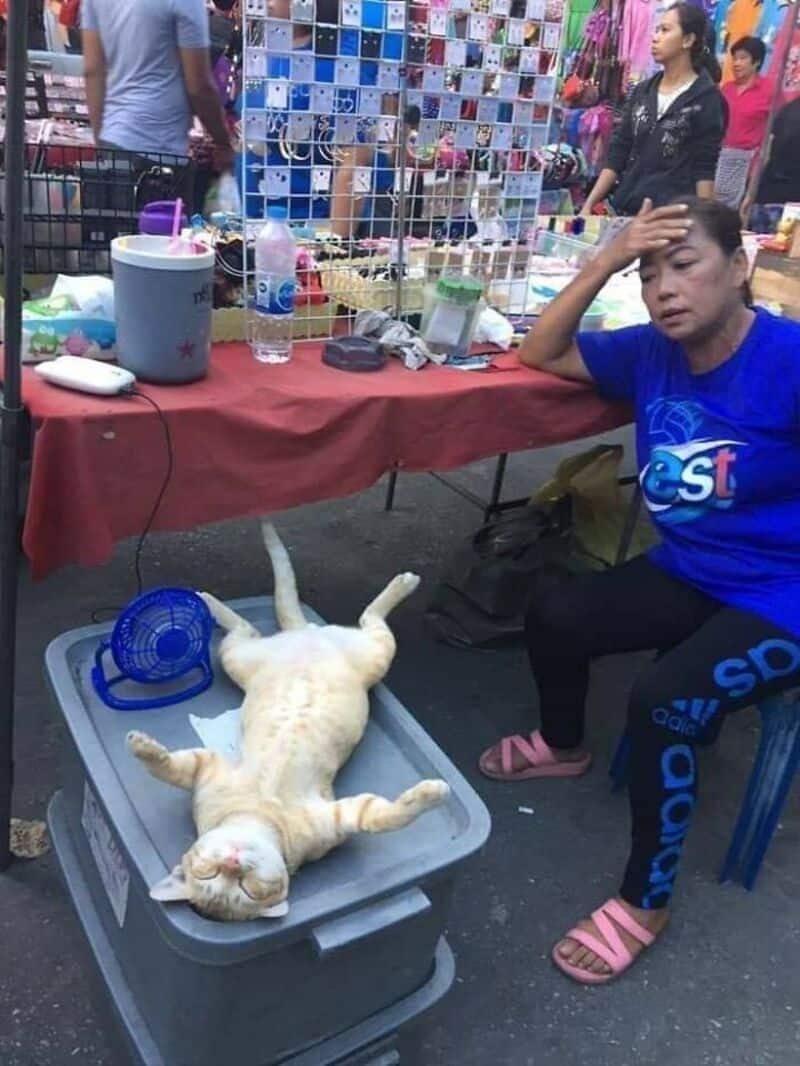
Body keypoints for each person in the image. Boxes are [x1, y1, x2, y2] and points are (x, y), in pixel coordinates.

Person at [480, 197, 800, 984]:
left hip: (784, 593)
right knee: (555, 611)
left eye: (683, 265)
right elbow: (541, 352)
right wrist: (606, 258)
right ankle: (562, 744)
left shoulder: (788, 359)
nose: (664, 290)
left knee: (663, 699)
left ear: (740, 265)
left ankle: (645, 900)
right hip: (693, 568)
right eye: (648, 274)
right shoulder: (651, 352)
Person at [581, 3, 725, 216]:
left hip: (672, 216)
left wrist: (705, 223)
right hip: (627, 209)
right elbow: (619, 152)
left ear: (687, 40)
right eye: (656, 30)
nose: (655, 37)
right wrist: (588, 204)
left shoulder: (706, 99)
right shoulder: (643, 92)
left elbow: (704, 167)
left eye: (665, 30)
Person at [81, 0, 233, 166]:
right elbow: (199, 86)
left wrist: (102, 142)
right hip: (159, 146)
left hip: (114, 139)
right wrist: (223, 143)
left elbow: (93, 71)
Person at [715, 37, 772, 208]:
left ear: (756, 62)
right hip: (721, 160)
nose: (736, 63)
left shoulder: (769, 90)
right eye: (734, 58)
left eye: (742, 58)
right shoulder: (726, 89)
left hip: (750, 164)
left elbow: (775, 131)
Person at [742, 97, 800, 233]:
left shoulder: (787, 109)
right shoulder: (788, 110)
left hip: (766, 196)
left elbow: (764, 156)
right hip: (789, 202)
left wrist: (749, 193)